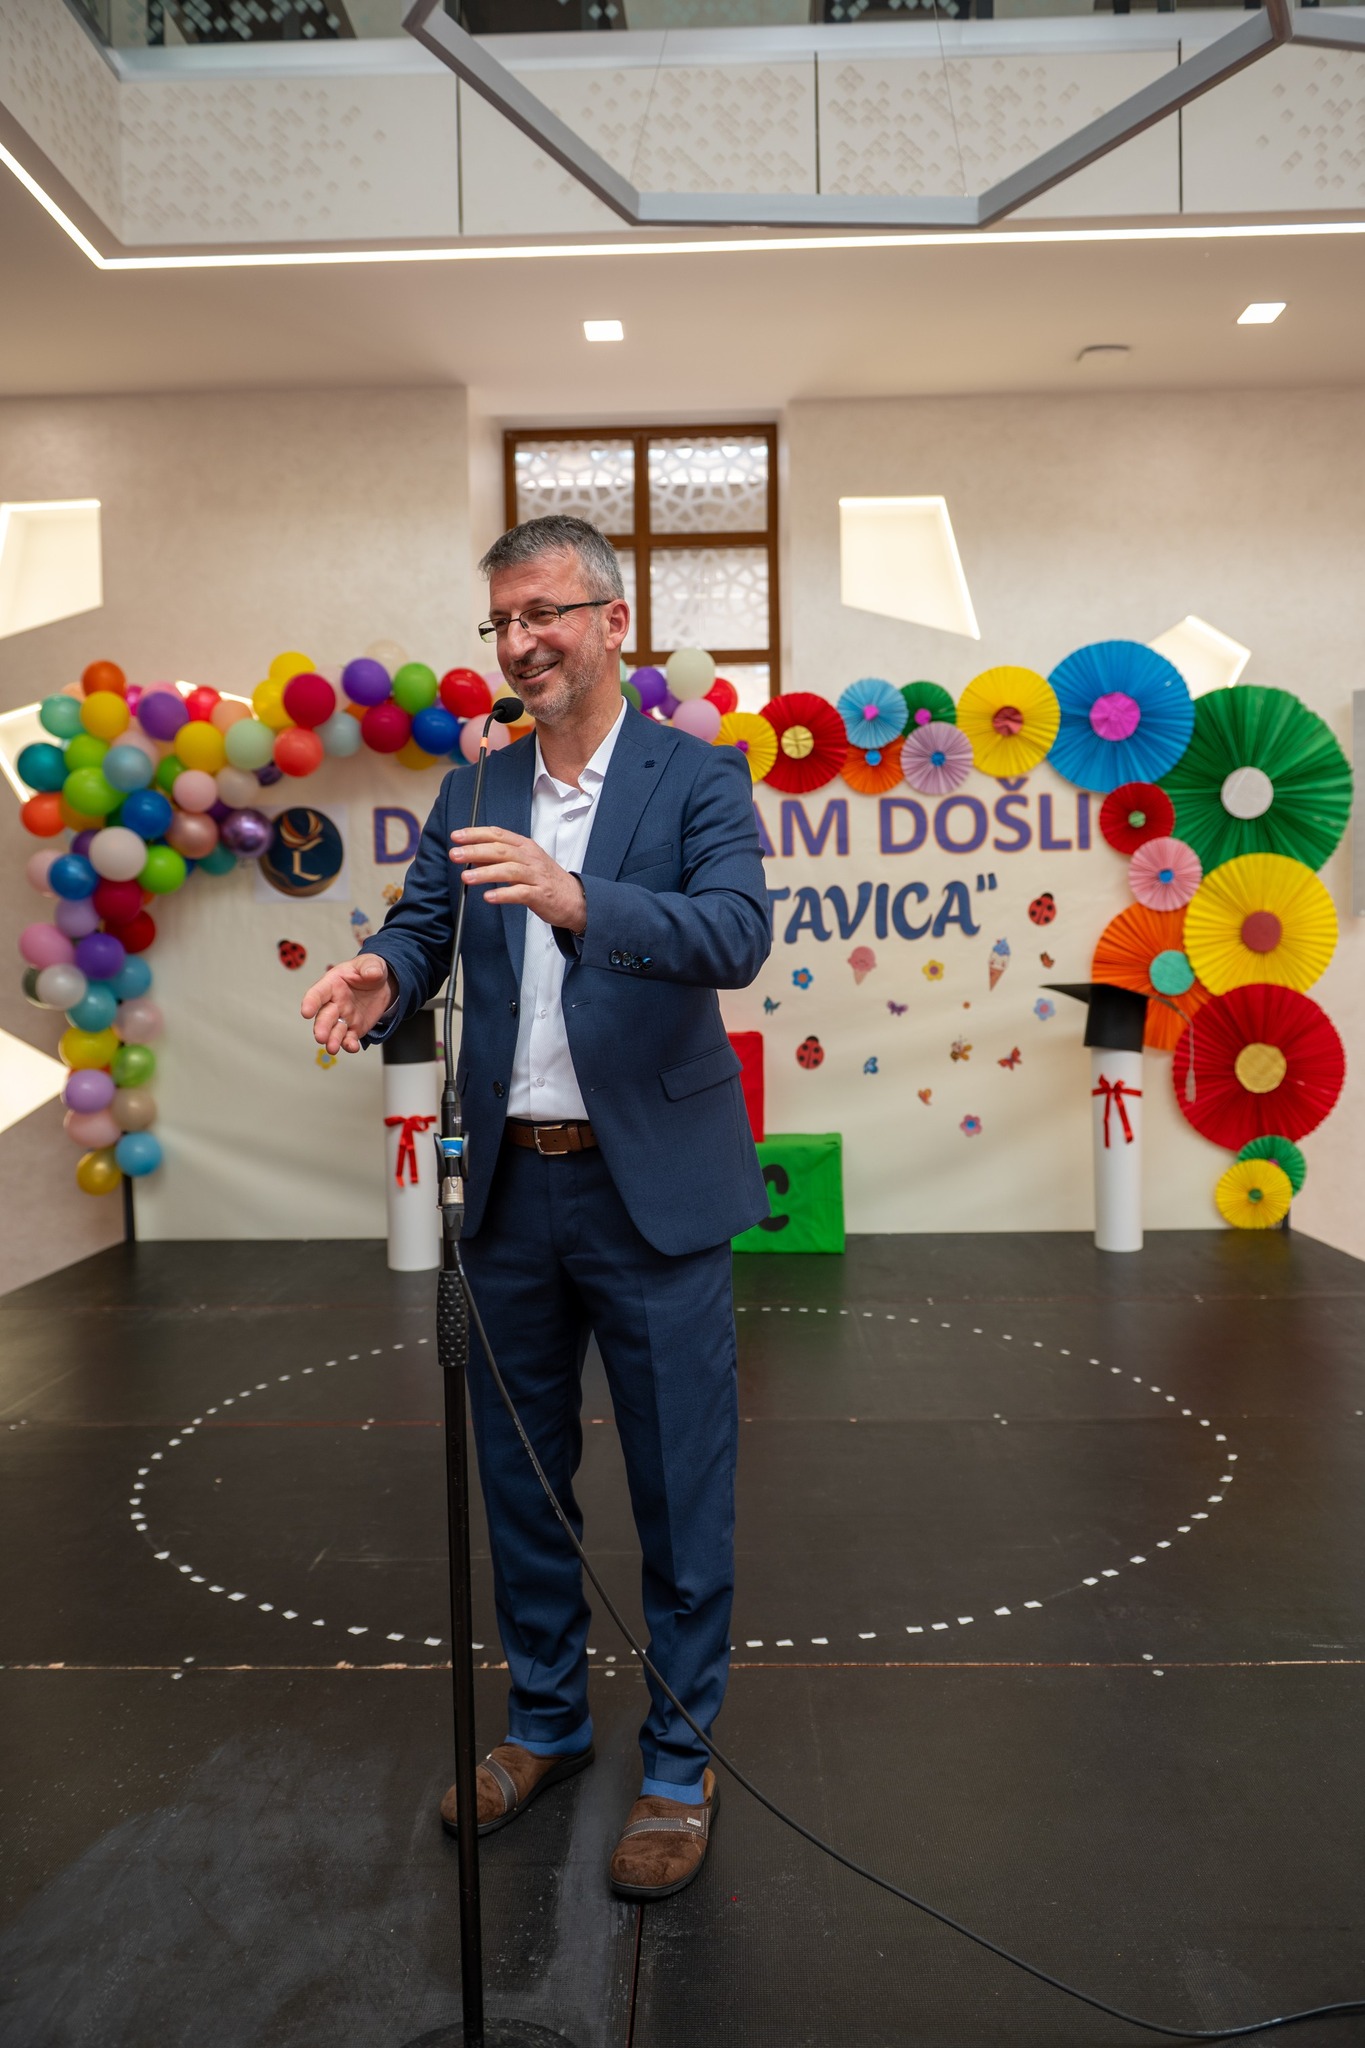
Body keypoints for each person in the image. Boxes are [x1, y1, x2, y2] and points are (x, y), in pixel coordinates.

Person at [300, 514, 772, 1901]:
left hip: (651, 1194)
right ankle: (550, 1725)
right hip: (510, 1194)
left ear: (613, 622)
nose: (520, 642)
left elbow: (735, 933)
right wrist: (385, 971)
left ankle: (677, 1767)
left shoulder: (696, 776)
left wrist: (577, 898)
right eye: (502, 621)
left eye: (544, 613)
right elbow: (424, 927)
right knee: (520, 1482)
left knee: (680, 1490)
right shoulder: (475, 785)